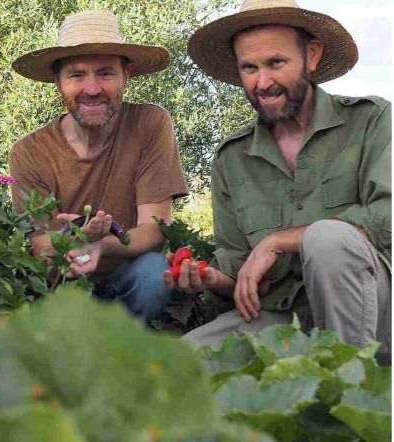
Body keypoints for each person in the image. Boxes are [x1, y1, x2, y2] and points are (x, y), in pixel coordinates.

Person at [167, 0, 391, 358]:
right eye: (249, 68)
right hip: (283, 319)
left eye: (276, 63)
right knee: (182, 362)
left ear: (312, 56)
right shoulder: (231, 157)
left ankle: (353, 387)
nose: (263, 82)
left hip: (375, 313)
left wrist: (278, 241)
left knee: (327, 239)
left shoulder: (372, 121)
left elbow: (388, 217)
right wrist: (214, 279)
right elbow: (240, 266)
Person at [8, 9, 190, 324]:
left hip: (127, 281)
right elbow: (40, 248)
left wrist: (102, 244)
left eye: (105, 73)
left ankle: (127, 355)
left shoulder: (150, 124)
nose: (92, 89)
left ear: (126, 75)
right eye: (77, 75)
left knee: (153, 273)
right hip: (63, 287)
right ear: (58, 81)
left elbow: (156, 231)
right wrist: (76, 241)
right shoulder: (29, 152)